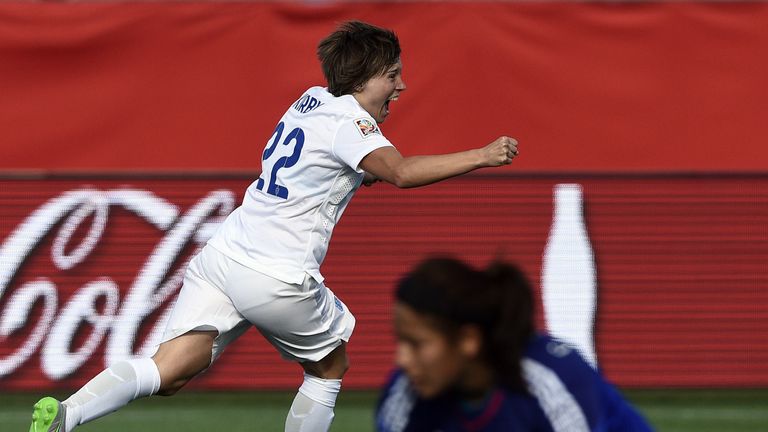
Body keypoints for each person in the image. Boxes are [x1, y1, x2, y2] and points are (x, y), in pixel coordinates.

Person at [29, 20, 519, 432]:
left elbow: (327, 166)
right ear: (364, 79)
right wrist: (482, 155)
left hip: (223, 257)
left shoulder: (310, 100)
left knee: (171, 369)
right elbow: (402, 173)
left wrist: (359, 175)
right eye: (392, 75)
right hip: (276, 274)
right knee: (330, 366)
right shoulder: (351, 122)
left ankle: (67, 415)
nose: (401, 86)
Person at [376, 257, 654, 432]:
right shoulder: (405, 395)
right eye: (401, 341)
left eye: (417, 344)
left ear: (468, 340)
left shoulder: (553, 383)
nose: (402, 360)